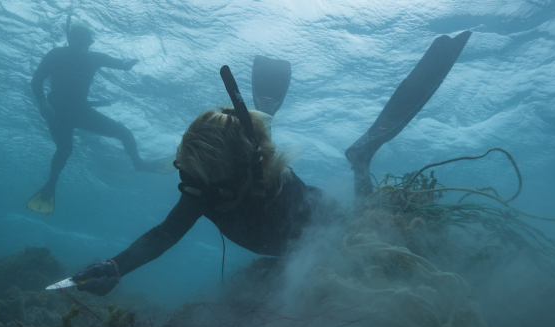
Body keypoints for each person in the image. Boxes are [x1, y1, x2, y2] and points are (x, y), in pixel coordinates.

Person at [70, 31, 472, 296]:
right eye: (187, 176)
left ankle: (360, 158)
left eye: (211, 183)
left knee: (367, 222)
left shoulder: (276, 188)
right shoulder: (202, 190)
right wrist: (116, 266)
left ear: (246, 175)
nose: (199, 193)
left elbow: (335, 245)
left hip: (325, 226)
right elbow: (163, 235)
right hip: (262, 184)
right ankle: (264, 114)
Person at [27, 22, 169, 215]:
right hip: (56, 112)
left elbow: (119, 64)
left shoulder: (95, 58)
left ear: (90, 41)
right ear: (69, 38)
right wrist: (42, 102)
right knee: (65, 149)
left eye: (83, 37)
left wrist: (126, 65)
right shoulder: (56, 54)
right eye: (76, 36)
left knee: (124, 133)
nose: (79, 41)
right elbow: (36, 81)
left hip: (80, 111)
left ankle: (140, 164)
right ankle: (50, 185)